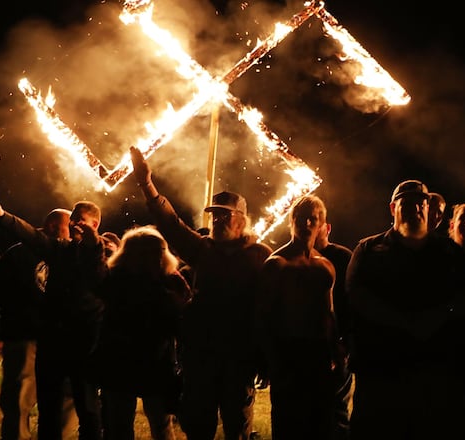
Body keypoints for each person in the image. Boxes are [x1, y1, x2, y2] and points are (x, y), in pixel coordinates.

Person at [129, 146, 273, 440]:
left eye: (225, 215)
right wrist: (147, 185)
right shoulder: (203, 250)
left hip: (239, 356)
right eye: (215, 215)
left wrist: (265, 357)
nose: (217, 220)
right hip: (202, 356)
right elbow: (171, 224)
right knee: (198, 425)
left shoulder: (260, 256)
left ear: (242, 220)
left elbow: (269, 308)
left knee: (238, 426)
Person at [346, 179, 465, 440]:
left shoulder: (448, 252)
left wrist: (439, 316)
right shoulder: (369, 249)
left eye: (420, 203)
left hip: (434, 375)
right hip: (382, 374)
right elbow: (357, 295)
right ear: (392, 208)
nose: (415, 209)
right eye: (406, 203)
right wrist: (403, 321)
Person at [0, 195, 106, 440]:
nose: (75, 224)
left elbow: (99, 280)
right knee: (49, 407)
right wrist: (2, 216)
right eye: (73, 219)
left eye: (80, 220)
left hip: (84, 345)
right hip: (52, 340)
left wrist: (93, 245)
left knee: (87, 408)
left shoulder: (104, 252)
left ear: (95, 225)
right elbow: (31, 236)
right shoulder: (61, 250)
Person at [94, 225, 191, 440]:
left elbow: (182, 317)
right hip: (125, 360)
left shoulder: (170, 280)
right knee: (122, 425)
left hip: (151, 361)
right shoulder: (116, 279)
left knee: (159, 423)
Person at [0, 208, 79, 440]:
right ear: (52, 226)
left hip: (61, 337)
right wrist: (0, 329)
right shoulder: (19, 254)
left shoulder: (69, 254)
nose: (73, 231)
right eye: (69, 225)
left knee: (68, 393)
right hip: (25, 333)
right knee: (19, 394)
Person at [257, 195, 341, 439]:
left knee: (321, 425)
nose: (305, 224)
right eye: (300, 219)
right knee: (289, 426)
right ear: (290, 222)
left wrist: (335, 351)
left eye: (312, 219)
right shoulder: (276, 264)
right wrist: (271, 361)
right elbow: (263, 316)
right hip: (289, 354)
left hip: (318, 356)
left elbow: (329, 312)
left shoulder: (325, 265)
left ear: (321, 224)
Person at [314, 216, 353, 440]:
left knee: (336, 409)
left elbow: (350, 302)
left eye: (316, 223)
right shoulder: (300, 257)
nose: (310, 227)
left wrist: (345, 342)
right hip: (309, 344)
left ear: (327, 228)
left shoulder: (342, 256)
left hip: (336, 346)